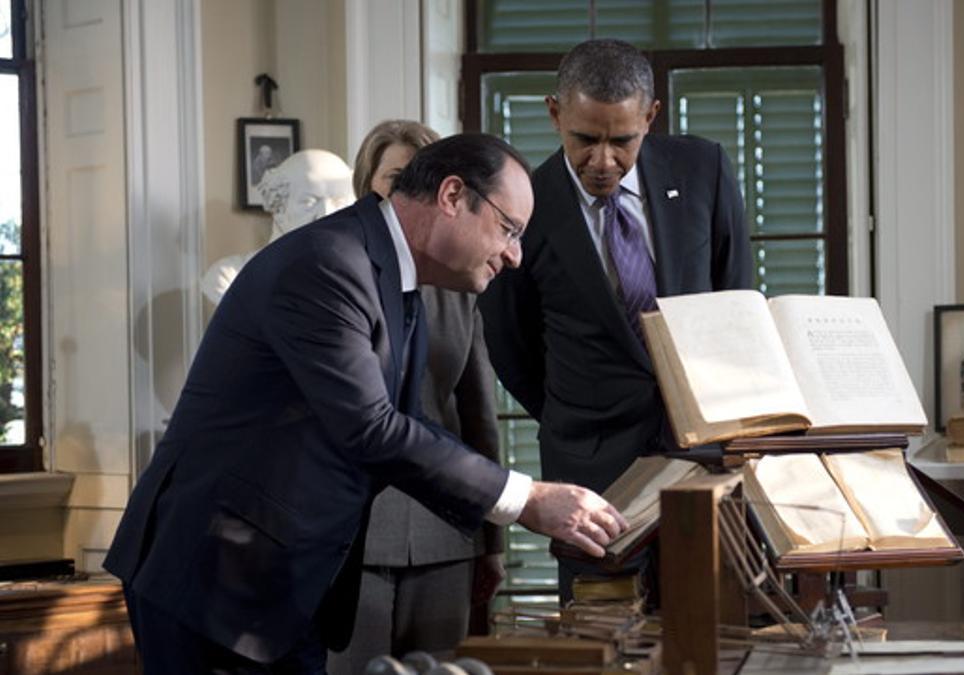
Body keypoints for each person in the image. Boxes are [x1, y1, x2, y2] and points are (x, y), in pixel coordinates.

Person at [104, 133, 627, 674]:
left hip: (286, 586)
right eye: (509, 229)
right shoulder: (327, 263)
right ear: (452, 196)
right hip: (214, 578)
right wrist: (526, 499)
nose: (515, 256)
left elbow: (405, 422)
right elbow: (371, 430)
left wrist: (507, 505)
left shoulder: (394, 276)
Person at [479, 38, 752, 600]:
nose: (602, 161)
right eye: (585, 139)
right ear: (555, 114)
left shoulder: (704, 170)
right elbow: (511, 346)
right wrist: (580, 413)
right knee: (601, 640)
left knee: (712, 632)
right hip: (591, 472)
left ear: (650, 117)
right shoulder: (524, 205)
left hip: (702, 460)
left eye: (621, 140)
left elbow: (736, 303)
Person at [325, 120, 502, 673]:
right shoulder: (337, 275)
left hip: (445, 534)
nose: (408, 190)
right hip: (355, 535)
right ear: (367, 184)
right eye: (396, 177)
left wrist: (492, 541)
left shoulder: (461, 287)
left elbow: (479, 418)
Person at [202, 149, 356, 304]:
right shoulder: (230, 278)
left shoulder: (361, 280)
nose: (326, 214)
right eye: (309, 201)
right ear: (278, 205)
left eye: (339, 202)